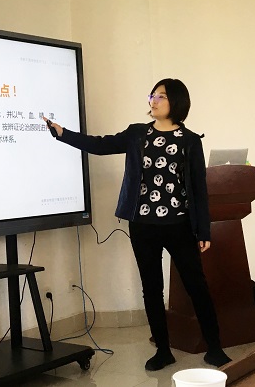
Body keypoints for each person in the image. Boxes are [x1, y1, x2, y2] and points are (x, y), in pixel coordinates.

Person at [43, 78, 231, 371]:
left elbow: (199, 188)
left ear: (177, 101)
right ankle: (163, 350)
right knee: (152, 289)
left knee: (196, 285)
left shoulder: (190, 140)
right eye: (152, 95)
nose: (153, 100)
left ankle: (214, 348)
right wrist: (63, 134)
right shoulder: (137, 134)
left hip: (180, 224)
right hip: (143, 225)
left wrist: (203, 229)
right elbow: (100, 145)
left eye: (161, 96)